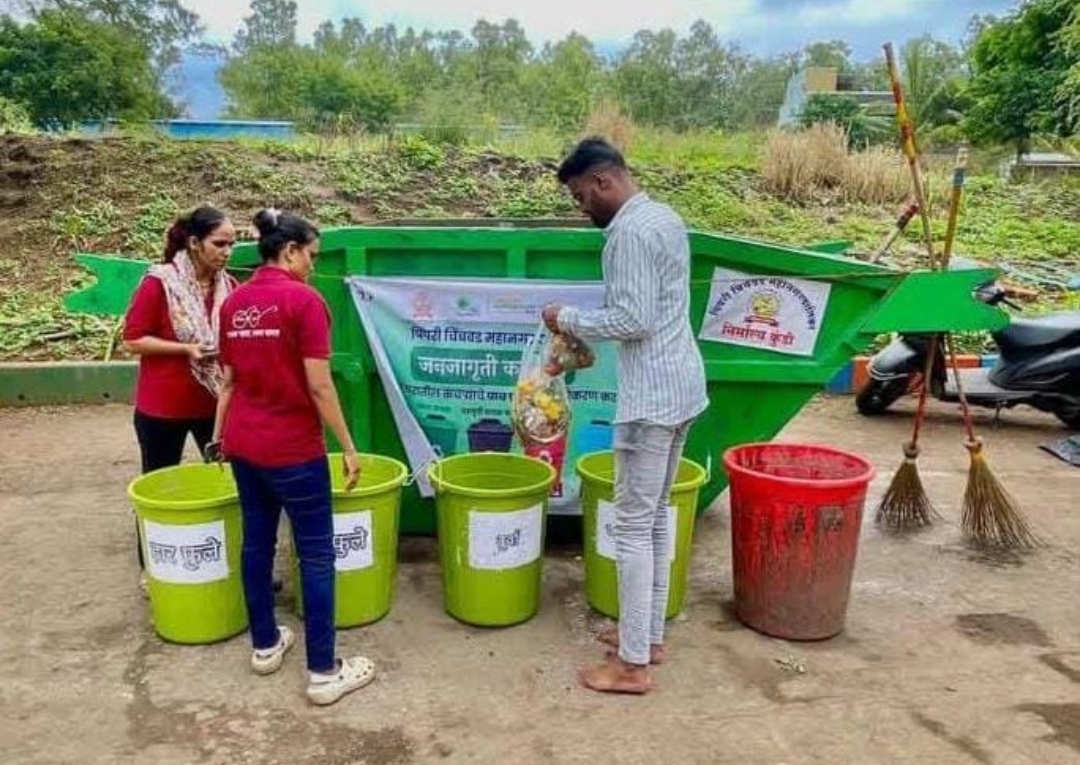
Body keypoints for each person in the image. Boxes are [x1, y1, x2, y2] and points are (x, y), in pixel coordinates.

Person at [542, 137, 708, 695]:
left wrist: (564, 317)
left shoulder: (627, 234)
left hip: (651, 399)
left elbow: (632, 319)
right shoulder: (663, 217)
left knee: (634, 527)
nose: (581, 208)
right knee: (656, 517)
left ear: (604, 182)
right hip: (682, 386)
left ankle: (631, 666)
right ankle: (648, 638)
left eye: (581, 196)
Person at [210, 208, 374, 706]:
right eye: (312, 256)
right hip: (292, 452)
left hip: (245, 446)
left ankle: (265, 645)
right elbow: (319, 385)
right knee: (317, 554)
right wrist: (347, 446)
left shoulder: (234, 304)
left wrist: (219, 436)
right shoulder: (304, 301)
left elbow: (230, 379)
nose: (314, 267)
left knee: (257, 545)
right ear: (289, 251)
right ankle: (324, 673)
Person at [123, 205, 236, 473]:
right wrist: (186, 349)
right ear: (195, 243)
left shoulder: (229, 286)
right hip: (163, 406)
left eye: (232, 244)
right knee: (159, 483)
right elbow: (132, 340)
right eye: (219, 244)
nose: (227, 252)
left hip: (215, 404)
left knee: (226, 480)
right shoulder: (160, 283)